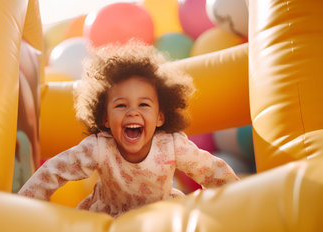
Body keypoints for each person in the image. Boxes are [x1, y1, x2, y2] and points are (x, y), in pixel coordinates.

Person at [19, 41, 239, 217]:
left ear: (160, 117)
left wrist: (237, 201)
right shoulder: (99, 147)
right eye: (121, 105)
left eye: (144, 105)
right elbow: (54, 172)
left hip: (160, 215)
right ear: (105, 118)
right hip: (109, 218)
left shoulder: (170, 145)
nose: (132, 112)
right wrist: (22, 206)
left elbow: (212, 170)